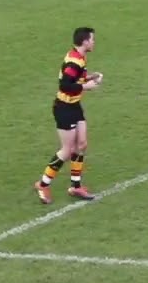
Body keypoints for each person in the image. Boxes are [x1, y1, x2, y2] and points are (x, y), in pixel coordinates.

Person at [35, 27, 103, 204]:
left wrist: (89, 77)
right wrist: (86, 87)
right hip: (64, 108)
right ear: (85, 41)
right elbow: (65, 85)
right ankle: (43, 184)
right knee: (67, 150)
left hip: (74, 105)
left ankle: (75, 186)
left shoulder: (79, 57)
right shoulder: (74, 61)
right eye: (92, 39)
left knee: (81, 144)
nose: (94, 42)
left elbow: (76, 78)